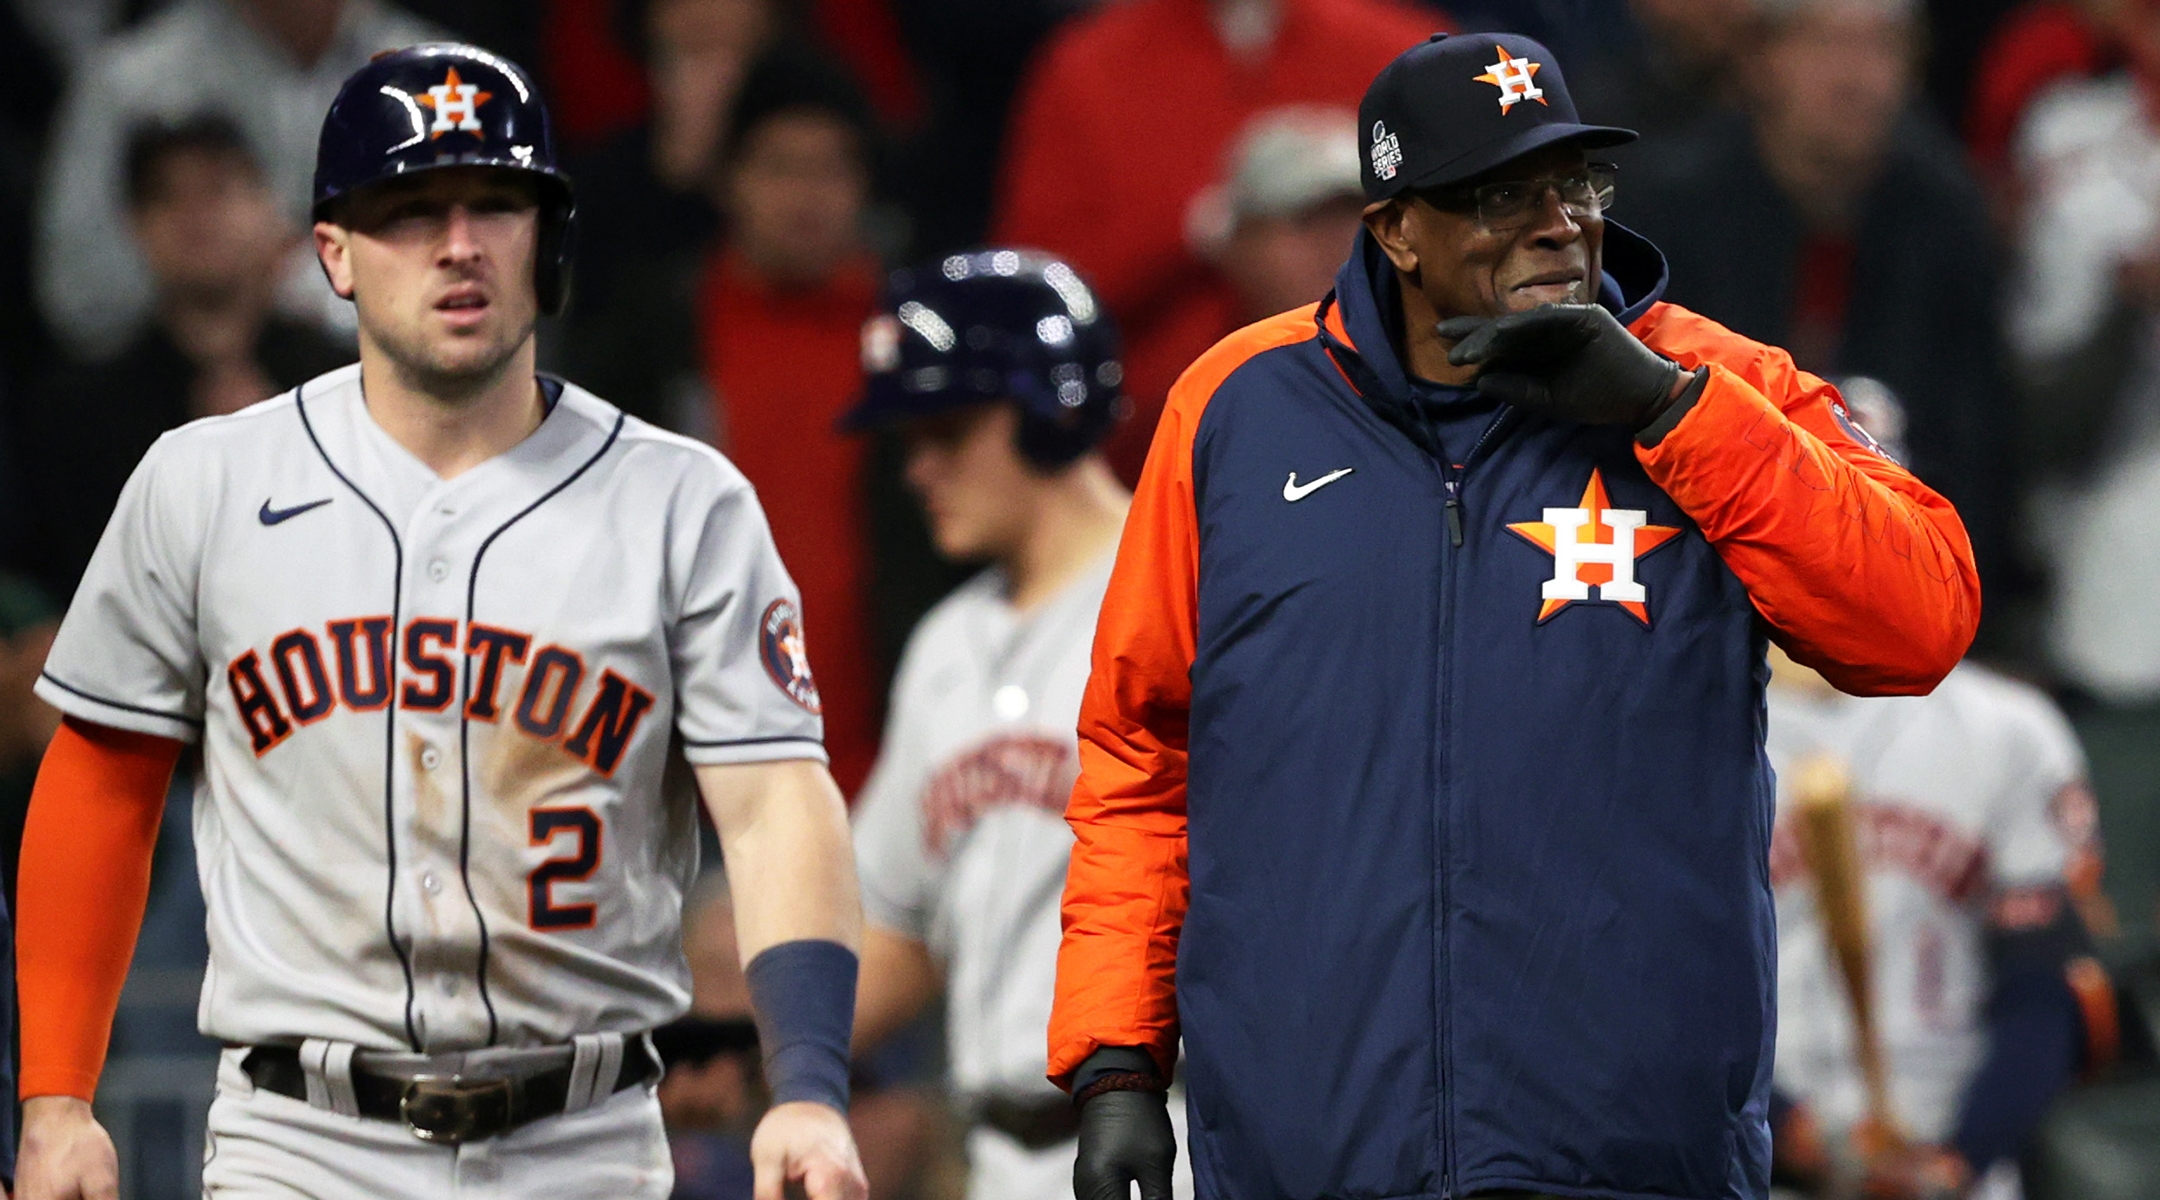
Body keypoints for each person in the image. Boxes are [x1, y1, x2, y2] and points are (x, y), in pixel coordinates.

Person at [1051, 32, 1980, 1200]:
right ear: (1396, 230)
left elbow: (1921, 620)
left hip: (1632, 1166)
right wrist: (1118, 1060)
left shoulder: (1713, 381)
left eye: (1575, 183)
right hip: (1312, 1157)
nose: (1559, 223)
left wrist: (1668, 413)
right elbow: (1146, 756)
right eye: (1500, 196)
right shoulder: (1236, 409)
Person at [11, 45, 867, 1199]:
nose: (460, 243)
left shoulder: (682, 501)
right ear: (335, 254)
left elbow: (774, 803)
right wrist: (58, 1098)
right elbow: (104, 778)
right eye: (411, 211)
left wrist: (807, 1087)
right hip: (301, 1144)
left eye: (497, 205)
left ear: (545, 238)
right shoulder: (203, 484)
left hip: (586, 1138)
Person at [841, 251, 1193, 1200]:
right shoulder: (944, 648)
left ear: (1052, 410)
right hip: (993, 1155)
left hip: (1171, 1143)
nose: (917, 468)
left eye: (946, 430)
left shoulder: (1182, 596)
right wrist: (753, 1049)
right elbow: (894, 925)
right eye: (906, 438)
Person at [1761, 384, 2117, 1200]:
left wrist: (1958, 1158)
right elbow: (1659, 987)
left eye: (1863, 510)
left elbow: (2047, 989)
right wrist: (1795, 1136)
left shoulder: (2007, 729)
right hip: (1754, 1156)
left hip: (1955, 1156)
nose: (1839, 543)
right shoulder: (1693, 729)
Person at [1618, 0, 2015, 605]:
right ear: (1761, 60)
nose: (1856, 76)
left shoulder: (1946, 213)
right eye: (1825, 43)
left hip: (1896, 588)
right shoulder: (1666, 209)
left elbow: (1977, 440)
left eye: (1884, 46)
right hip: (1693, 581)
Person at [993, 0, 1442, 480]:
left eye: (1333, 223)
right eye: (1302, 228)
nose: (1311, 249)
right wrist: (1191, 235)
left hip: (1409, 429)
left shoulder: (1400, 49)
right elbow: (1031, 296)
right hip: (1158, 454)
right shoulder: (1088, 69)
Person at [19, 114, 355, 603]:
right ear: (134, 225)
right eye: (165, 197)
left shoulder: (346, 383)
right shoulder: (74, 412)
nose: (194, 216)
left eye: (218, 191)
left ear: (268, 207)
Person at [35, 0, 441, 358]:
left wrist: (302, 277)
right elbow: (80, 296)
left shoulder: (441, 79)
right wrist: (213, 280)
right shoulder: (131, 84)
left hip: (390, 381)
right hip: (169, 386)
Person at [2007, 0, 2160, 938]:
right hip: (2107, 569)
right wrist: (2122, 301)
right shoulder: (2068, 132)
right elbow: (2036, 407)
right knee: (2118, 915)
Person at [1191, 107, 1370, 325]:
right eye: (1309, 220)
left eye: (1362, 220)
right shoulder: (1198, 356)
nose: (1342, 241)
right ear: (1242, 243)